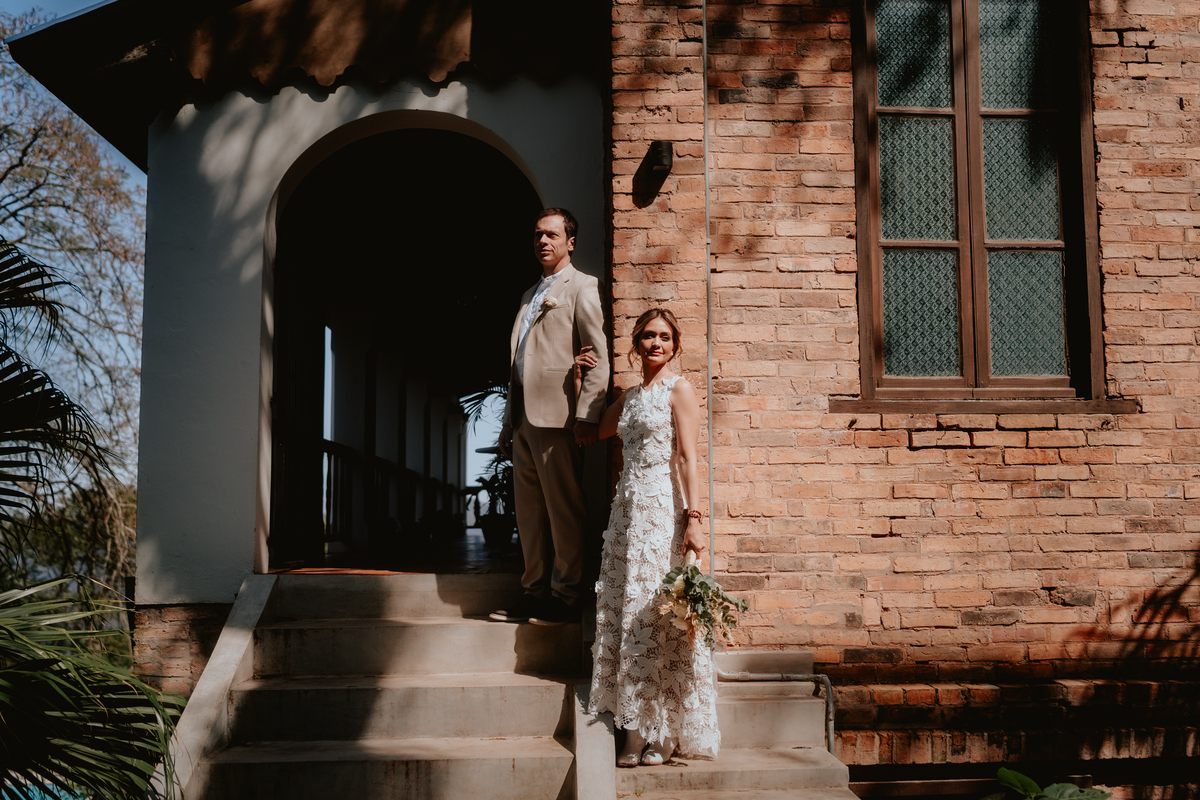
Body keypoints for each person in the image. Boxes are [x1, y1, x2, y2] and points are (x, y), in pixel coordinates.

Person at [581, 307, 720, 766]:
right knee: (630, 615)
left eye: (664, 337)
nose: (656, 343)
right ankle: (634, 730)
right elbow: (594, 432)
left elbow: (687, 457)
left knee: (660, 616)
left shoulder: (679, 389)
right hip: (626, 513)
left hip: (663, 510)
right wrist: (581, 379)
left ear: (675, 346)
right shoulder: (630, 398)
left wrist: (695, 518)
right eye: (647, 336)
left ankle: (662, 732)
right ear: (635, 345)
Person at [489, 208, 609, 627]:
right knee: (529, 515)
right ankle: (534, 590)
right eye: (538, 234)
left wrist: (588, 415)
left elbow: (599, 356)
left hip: (560, 418)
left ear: (570, 242)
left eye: (552, 235)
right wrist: (508, 421)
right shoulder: (528, 295)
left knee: (563, 510)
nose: (543, 241)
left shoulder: (582, 286)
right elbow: (518, 362)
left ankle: (566, 594)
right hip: (523, 420)